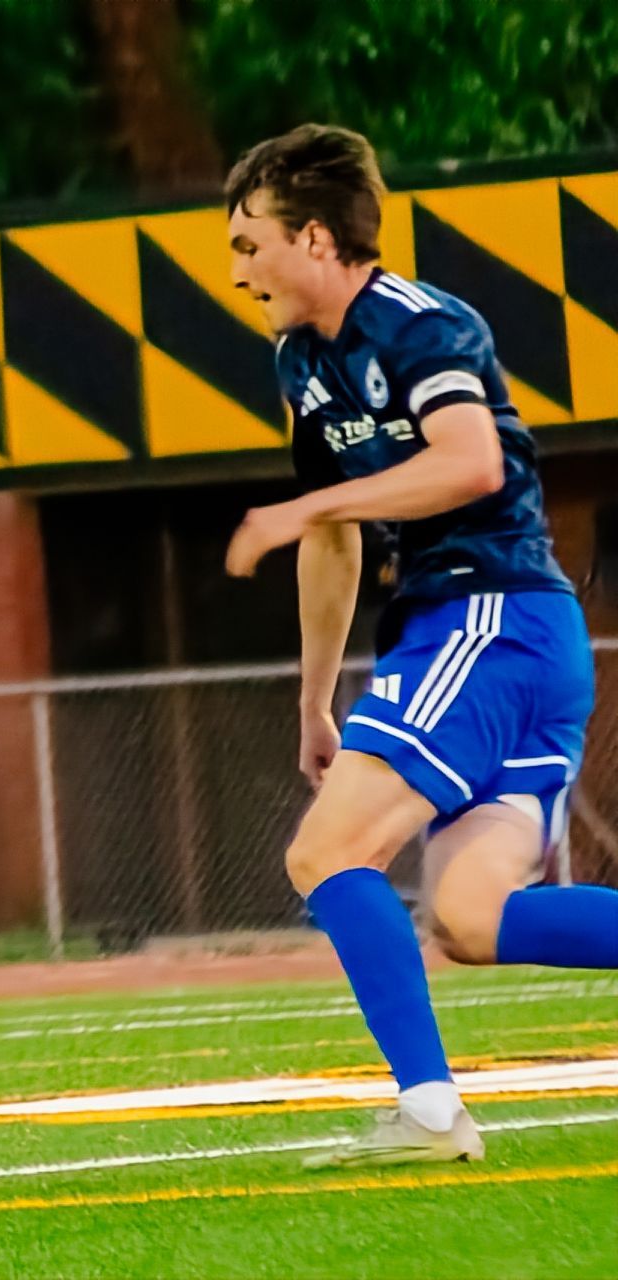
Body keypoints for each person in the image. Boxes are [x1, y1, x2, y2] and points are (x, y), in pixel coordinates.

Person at [224, 124, 617, 1167]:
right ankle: (433, 1111)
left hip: (488, 620)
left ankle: (433, 1114)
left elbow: (471, 461)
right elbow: (334, 536)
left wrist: (302, 508)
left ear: (315, 238)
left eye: (251, 244)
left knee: (325, 853)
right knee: (470, 916)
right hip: (511, 639)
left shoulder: (418, 322)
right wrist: (314, 699)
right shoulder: (302, 361)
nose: (239, 272)